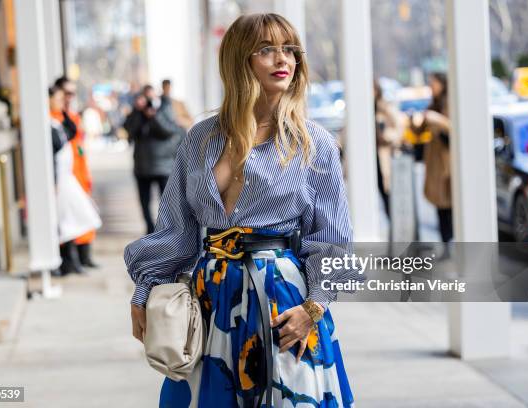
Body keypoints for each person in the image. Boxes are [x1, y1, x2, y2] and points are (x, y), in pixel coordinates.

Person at [124, 13, 357, 407]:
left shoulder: (312, 143)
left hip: (284, 304)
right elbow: (176, 229)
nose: (282, 59)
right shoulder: (201, 138)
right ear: (239, 60)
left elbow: (333, 242)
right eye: (266, 50)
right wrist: (144, 289)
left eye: (289, 50)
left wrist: (312, 309)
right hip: (210, 301)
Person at [49, 86, 101, 276]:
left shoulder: (59, 120)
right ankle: (68, 262)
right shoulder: (48, 121)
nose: (64, 100)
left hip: (69, 176)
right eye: (60, 97)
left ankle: (75, 260)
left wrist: (64, 110)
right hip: (60, 180)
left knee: (76, 219)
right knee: (67, 222)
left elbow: (72, 132)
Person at [129, 90, 187, 234]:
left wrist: (154, 116)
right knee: (144, 202)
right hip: (142, 167)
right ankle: (150, 229)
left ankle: (167, 228)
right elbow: (129, 131)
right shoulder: (137, 113)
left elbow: (167, 131)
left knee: (167, 201)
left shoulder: (166, 109)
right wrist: (138, 112)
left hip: (164, 166)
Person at [422, 72, 453, 246]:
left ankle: (450, 242)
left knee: (448, 204)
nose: (431, 87)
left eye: (433, 83)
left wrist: (437, 119)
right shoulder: (432, 104)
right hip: (434, 162)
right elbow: (420, 130)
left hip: (446, 162)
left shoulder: (449, 102)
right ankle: (446, 243)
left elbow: (453, 127)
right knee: (439, 206)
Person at [374, 79, 404, 219]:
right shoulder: (360, 110)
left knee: (388, 195)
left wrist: (385, 135)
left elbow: (398, 129)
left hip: (383, 156)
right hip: (369, 159)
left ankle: (394, 224)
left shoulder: (385, 107)